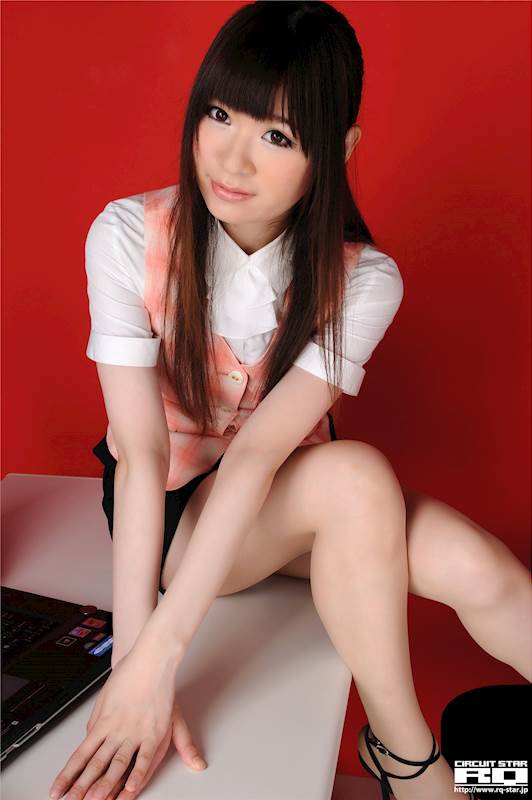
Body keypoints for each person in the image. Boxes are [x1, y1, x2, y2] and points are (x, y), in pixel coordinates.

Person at [49, 3, 531, 800]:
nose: (231, 158)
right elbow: (142, 453)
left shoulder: (363, 280)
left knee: (482, 570)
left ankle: (416, 764)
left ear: (338, 150)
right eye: (219, 114)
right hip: (171, 512)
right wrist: (141, 662)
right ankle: (412, 766)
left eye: (277, 136)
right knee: (354, 476)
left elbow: (262, 454)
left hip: (289, 493)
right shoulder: (129, 236)